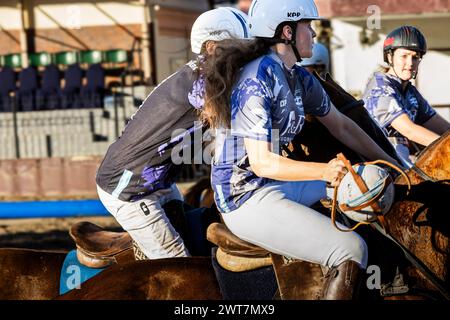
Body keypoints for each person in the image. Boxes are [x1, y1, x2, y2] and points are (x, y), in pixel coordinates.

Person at [202, 0, 401, 299]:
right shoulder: (256, 79)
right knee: (350, 249)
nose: (314, 34)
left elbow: (343, 126)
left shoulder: (299, 77)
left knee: (367, 191)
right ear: (287, 32)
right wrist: (325, 170)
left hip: (276, 185)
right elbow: (263, 164)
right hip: (244, 197)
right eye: (308, 26)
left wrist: (395, 165)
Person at [95, 7, 251, 260]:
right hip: (131, 189)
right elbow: (233, 127)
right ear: (211, 47)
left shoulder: (204, 73)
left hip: (158, 181)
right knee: (179, 266)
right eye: (241, 48)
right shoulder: (205, 82)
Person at [363, 26, 450, 167]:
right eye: (404, 56)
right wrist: (447, 148)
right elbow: (409, 130)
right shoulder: (380, 86)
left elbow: (445, 129)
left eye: (415, 57)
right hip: (378, 164)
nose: (410, 63)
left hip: (399, 160)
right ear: (390, 57)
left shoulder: (409, 91)